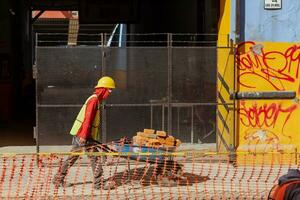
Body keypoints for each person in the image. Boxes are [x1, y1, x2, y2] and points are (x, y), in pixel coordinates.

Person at [52, 76, 116, 190]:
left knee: (73, 157)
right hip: (83, 135)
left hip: (81, 134)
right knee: (95, 158)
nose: (110, 93)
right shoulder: (94, 100)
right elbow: (87, 119)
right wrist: (84, 136)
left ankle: (58, 179)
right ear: (103, 89)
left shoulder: (95, 99)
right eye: (109, 90)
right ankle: (98, 184)